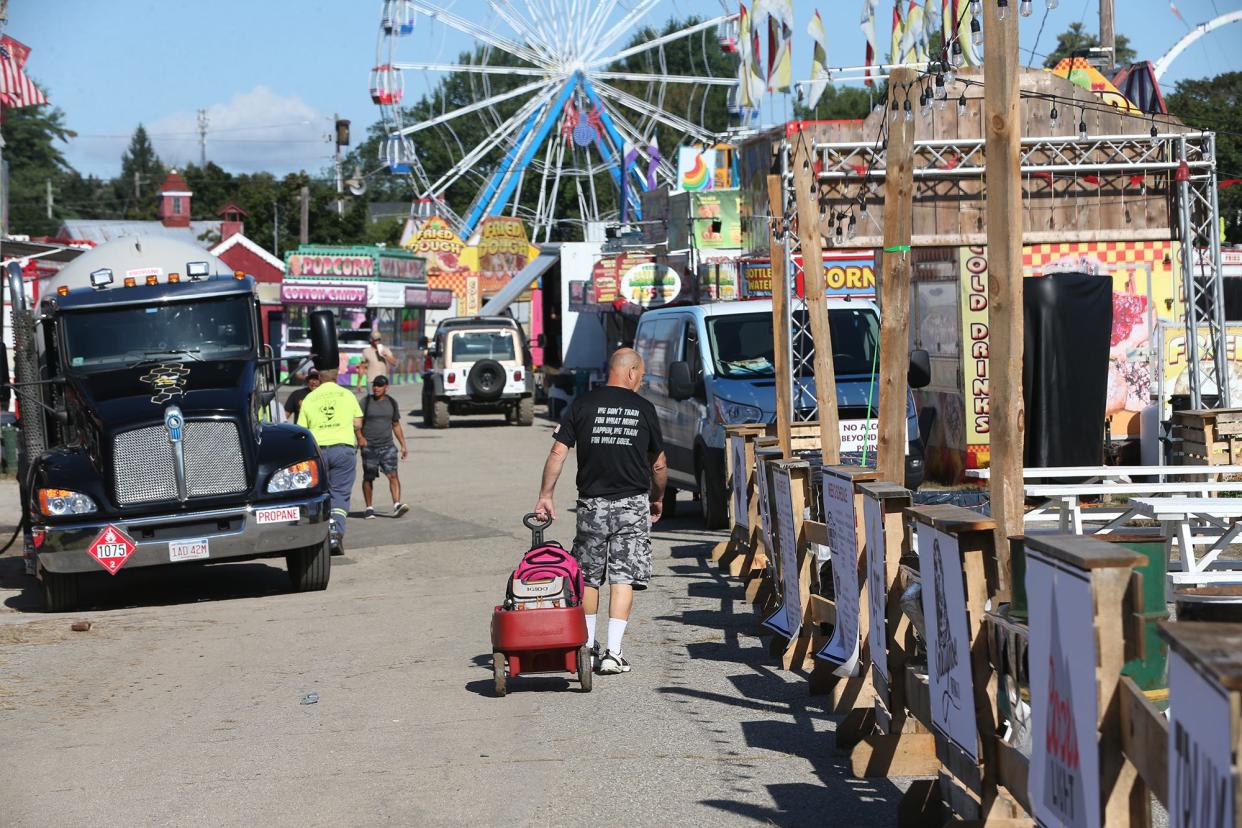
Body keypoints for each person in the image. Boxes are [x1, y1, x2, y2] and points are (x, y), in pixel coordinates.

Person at [534, 348, 667, 676]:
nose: (641, 381)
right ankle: (613, 653)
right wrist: (659, 496)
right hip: (632, 505)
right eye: (642, 375)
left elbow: (557, 451)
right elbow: (659, 463)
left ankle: (587, 651)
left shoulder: (581, 405)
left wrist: (545, 495)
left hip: (591, 504)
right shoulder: (645, 409)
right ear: (632, 372)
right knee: (623, 577)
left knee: (589, 577)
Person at [298, 368, 364, 554]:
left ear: (319, 378)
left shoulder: (310, 398)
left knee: (319, 493)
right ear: (337, 377)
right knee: (340, 494)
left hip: (318, 451)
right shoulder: (347, 394)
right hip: (343, 449)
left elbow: (302, 429)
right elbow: (358, 422)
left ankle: (316, 536)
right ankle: (335, 535)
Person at [360, 375, 410, 519]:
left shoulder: (392, 403)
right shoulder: (366, 402)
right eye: (375, 385)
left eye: (380, 385)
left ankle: (397, 505)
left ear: (386, 387)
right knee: (369, 477)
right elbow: (357, 421)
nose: (376, 388)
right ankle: (369, 508)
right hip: (369, 446)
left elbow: (396, 425)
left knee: (392, 475)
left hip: (387, 445)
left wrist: (403, 445)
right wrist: (360, 438)